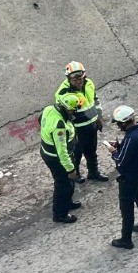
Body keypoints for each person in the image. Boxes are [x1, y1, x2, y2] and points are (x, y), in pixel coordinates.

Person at [107, 105, 138, 249]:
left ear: (124, 122)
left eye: (118, 123)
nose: (118, 126)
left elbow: (120, 160)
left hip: (131, 175)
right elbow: (134, 150)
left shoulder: (131, 138)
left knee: (126, 207)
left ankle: (126, 239)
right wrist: (120, 146)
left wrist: (113, 151)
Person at [57, 61, 108, 182]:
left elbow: (95, 100)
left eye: (80, 78)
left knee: (91, 151)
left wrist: (99, 118)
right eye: (74, 80)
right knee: (77, 154)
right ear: (68, 79)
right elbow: (62, 114)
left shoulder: (89, 83)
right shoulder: (63, 93)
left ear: (84, 76)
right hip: (77, 129)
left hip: (92, 125)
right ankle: (76, 175)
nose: (78, 82)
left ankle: (93, 173)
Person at [40, 92, 85, 223]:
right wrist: (71, 169)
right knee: (63, 184)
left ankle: (68, 202)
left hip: (49, 153)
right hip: (56, 159)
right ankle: (60, 214)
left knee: (68, 183)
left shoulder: (49, 109)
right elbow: (62, 152)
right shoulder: (59, 126)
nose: (75, 112)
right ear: (68, 109)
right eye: (74, 110)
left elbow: (40, 119)